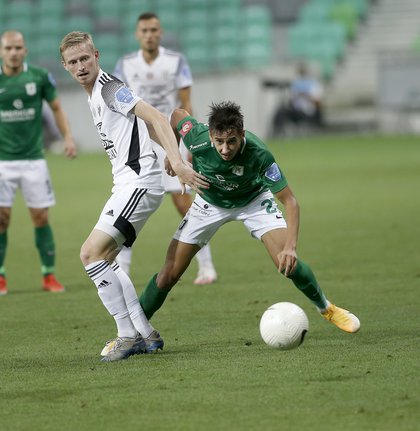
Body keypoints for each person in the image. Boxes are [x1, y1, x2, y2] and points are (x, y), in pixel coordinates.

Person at [138, 101, 360, 336]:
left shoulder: (259, 153)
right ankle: (134, 331)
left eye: (232, 141)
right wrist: (173, 154)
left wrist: (291, 247)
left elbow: (291, 202)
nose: (225, 149)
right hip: (209, 202)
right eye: (219, 141)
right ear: (211, 135)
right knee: (169, 274)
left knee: (287, 265)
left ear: (242, 135)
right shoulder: (197, 136)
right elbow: (176, 115)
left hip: (253, 201)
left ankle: (327, 308)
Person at [59, 31, 206, 362]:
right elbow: (146, 126)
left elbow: (156, 115)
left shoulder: (110, 88)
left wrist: (178, 160)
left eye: (85, 58)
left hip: (138, 184)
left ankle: (127, 336)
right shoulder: (96, 93)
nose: (81, 66)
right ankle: (146, 333)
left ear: (96, 55)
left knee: (90, 254)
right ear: (65, 66)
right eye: (73, 62)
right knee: (105, 258)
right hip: (129, 185)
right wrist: (164, 150)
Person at [0, 31, 77, 297]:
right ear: (0, 51)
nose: (13, 52)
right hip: (2, 163)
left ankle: (49, 274)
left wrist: (68, 137)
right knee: (1, 219)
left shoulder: (38, 77)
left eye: (18, 48)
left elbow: (58, 108)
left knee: (41, 217)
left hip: (33, 160)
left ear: (25, 51)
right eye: (8, 48)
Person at [112, 12, 218, 285]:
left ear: (160, 32)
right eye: (145, 30)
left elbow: (186, 106)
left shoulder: (175, 61)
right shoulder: (125, 65)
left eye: (154, 30)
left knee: (186, 206)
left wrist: (187, 145)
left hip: (173, 142)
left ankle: (206, 266)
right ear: (138, 34)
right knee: (129, 206)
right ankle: (122, 270)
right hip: (139, 146)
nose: (149, 34)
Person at [272, 63, 324, 136]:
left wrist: (305, 96)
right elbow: (291, 98)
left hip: (308, 110)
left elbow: (317, 100)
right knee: (280, 112)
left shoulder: (313, 83)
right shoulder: (295, 83)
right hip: (296, 110)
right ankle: (278, 133)